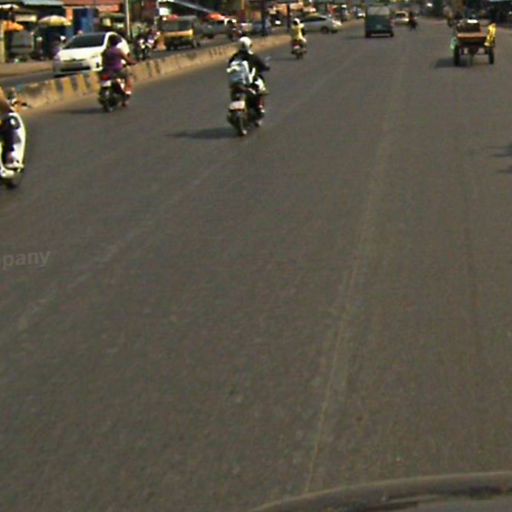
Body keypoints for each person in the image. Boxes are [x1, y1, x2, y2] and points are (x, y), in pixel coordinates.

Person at [228, 36, 270, 116]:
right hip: (250, 83)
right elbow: (262, 66)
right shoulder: (252, 56)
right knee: (260, 89)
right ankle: (260, 107)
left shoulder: (234, 57)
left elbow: (229, 67)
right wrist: (266, 67)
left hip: (236, 83)